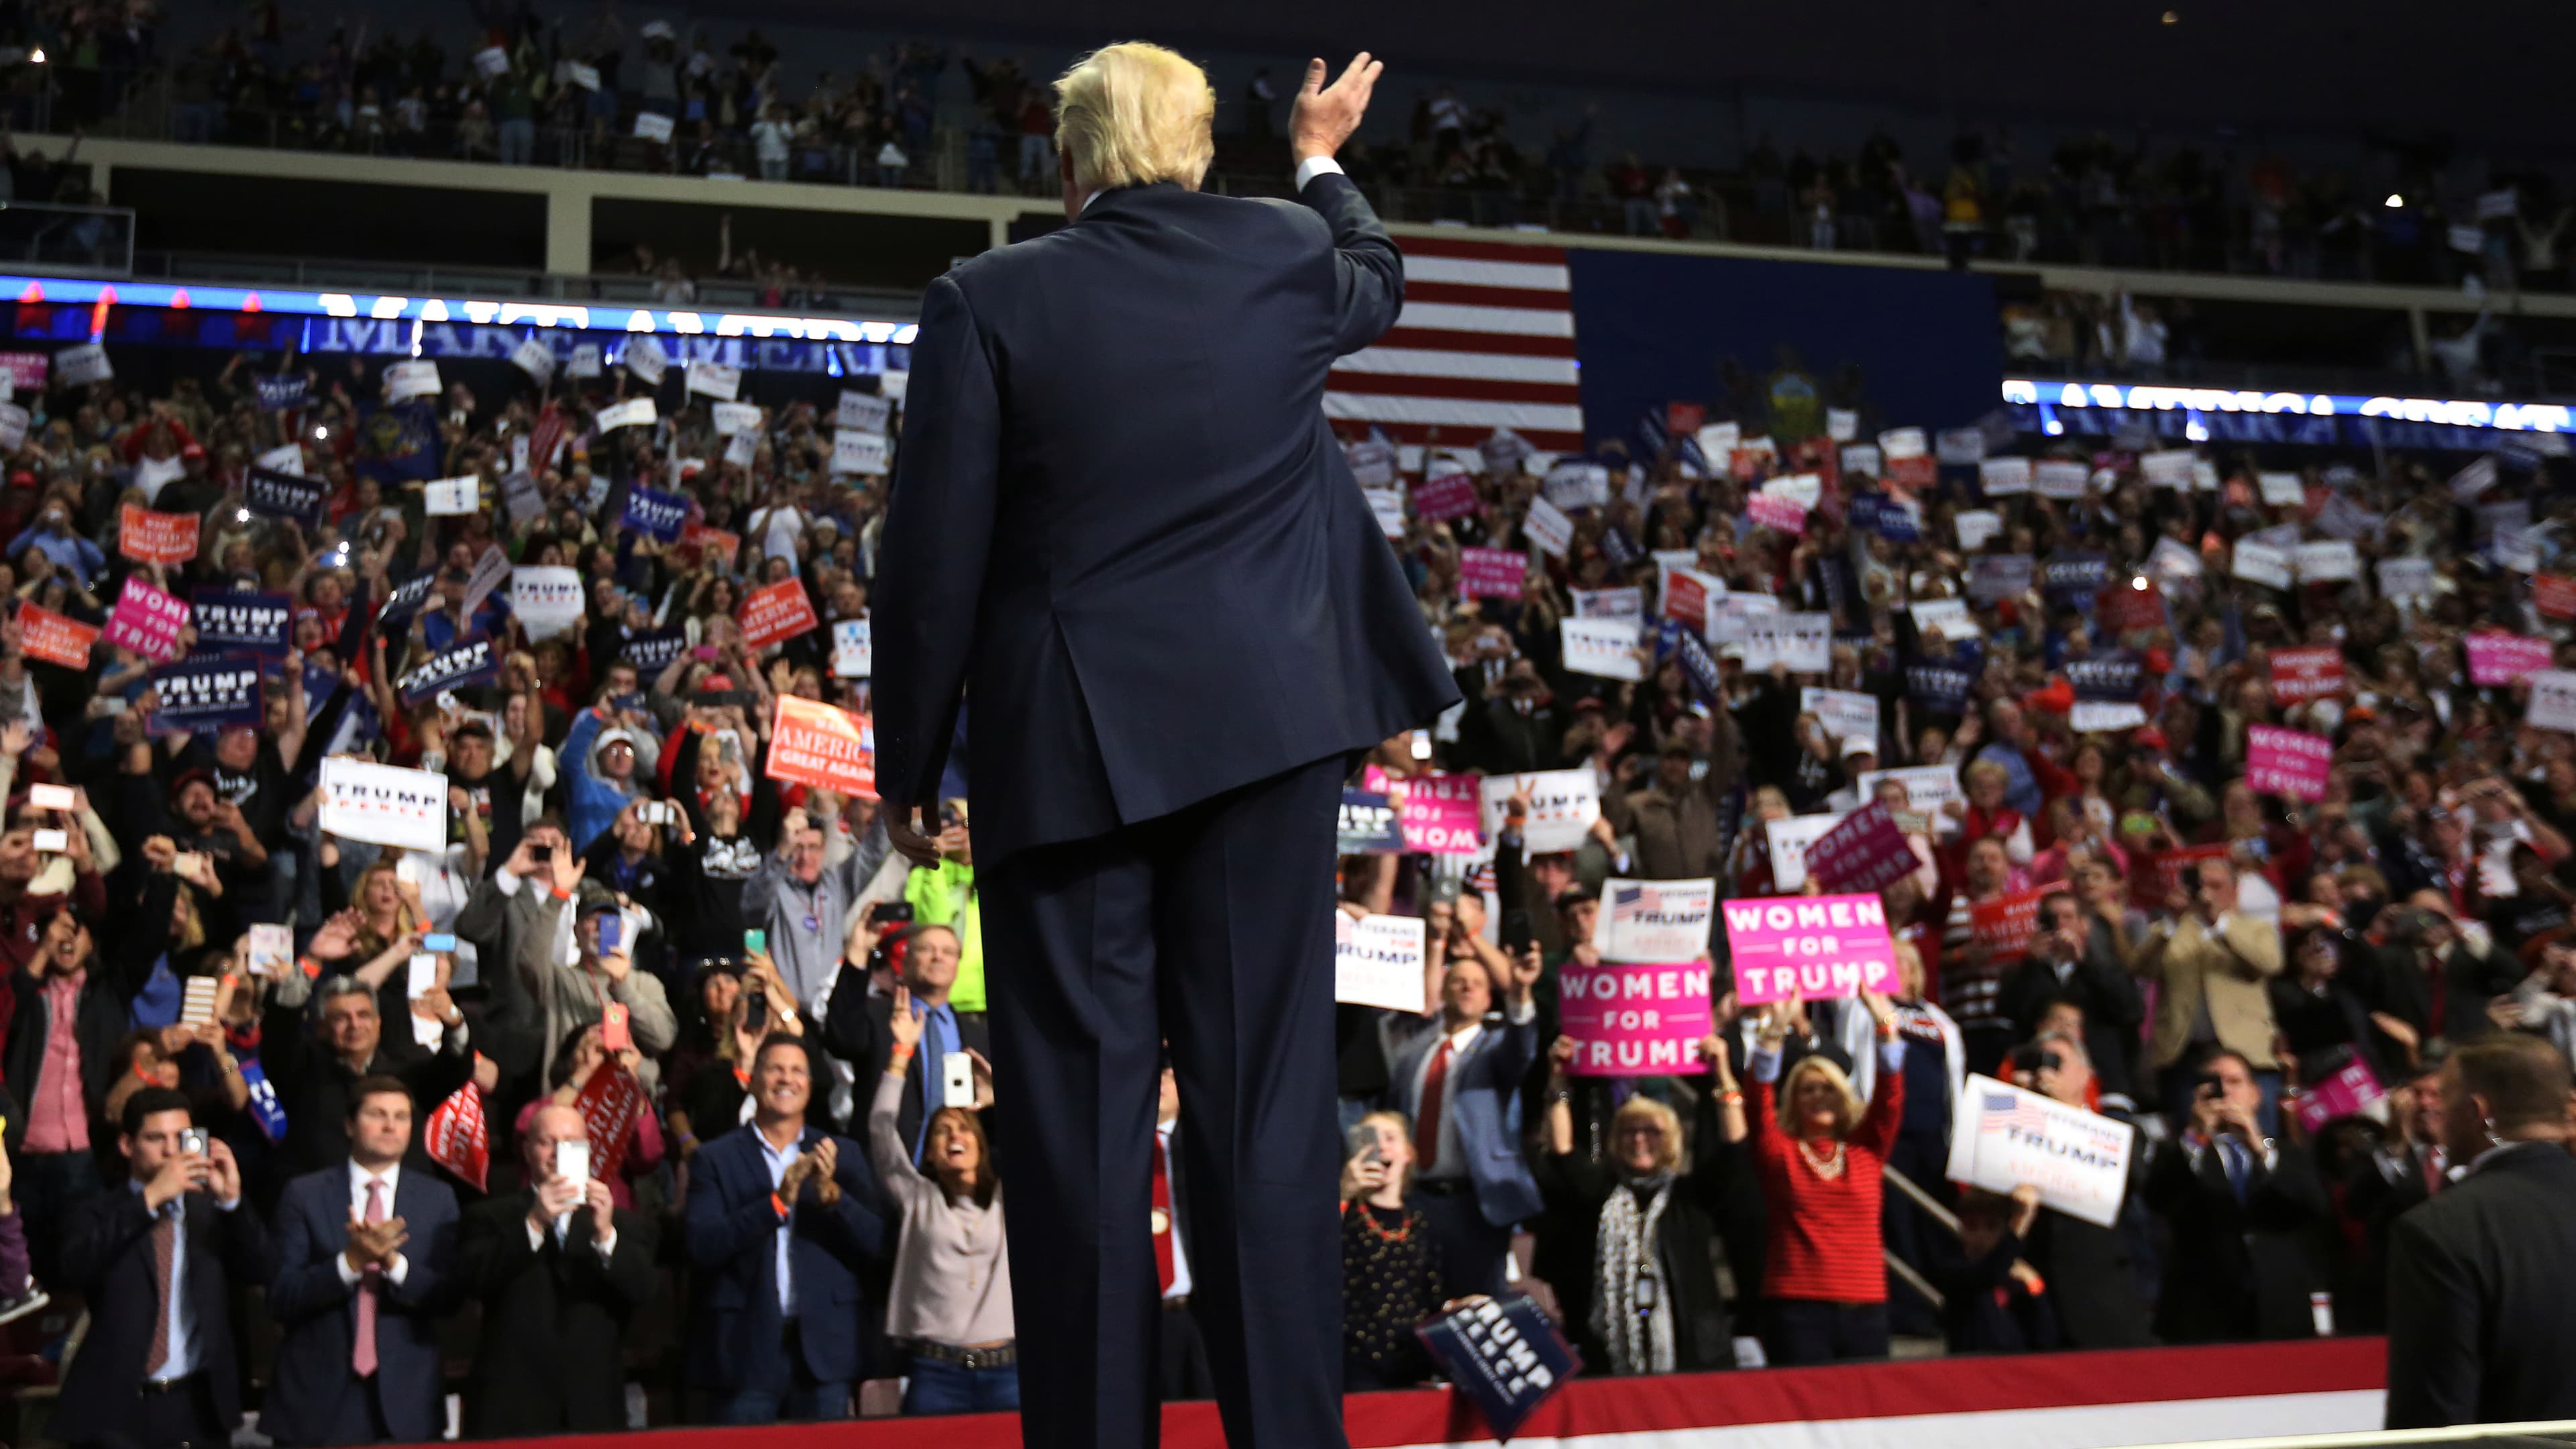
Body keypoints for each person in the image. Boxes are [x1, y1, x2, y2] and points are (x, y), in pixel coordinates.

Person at [873, 44, 1456, 1449]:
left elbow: (933, 558)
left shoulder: (989, 297)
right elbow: (1376, 273)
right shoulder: (1281, 254)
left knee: (1077, 1143)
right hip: (1265, 751)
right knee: (1262, 1128)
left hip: (1068, 765)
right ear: (1200, 155)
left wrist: (908, 764)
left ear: (1067, 163)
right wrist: (1317, 155)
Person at [50, 1087, 271, 1449]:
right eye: (156, 1139)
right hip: (116, 1408)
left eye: (181, 1138)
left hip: (199, 1404)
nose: (172, 1151)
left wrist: (232, 1200)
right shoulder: (96, 1209)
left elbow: (264, 1268)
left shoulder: (211, 1209)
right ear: (127, 1145)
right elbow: (76, 1268)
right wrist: (150, 1199)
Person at [684, 1032, 887, 1424]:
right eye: (775, 1069)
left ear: (810, 1087)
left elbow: (880, 1244)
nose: (786, 1079)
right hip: (744, 1352)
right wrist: (776, 1203)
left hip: (826, 1354)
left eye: (797, 1071)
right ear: (752, 1080)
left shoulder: (842, 1155)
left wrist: (834, 1199)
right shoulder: (713, 1159)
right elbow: (703, 1245)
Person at [2383, 1033, 2576, 1427]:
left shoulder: (2440, 1229)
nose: (2436, 1114)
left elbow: (2434, 1426)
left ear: (2478, 1111)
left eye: (2445, 1099)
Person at [1534, 1033, 1750, 1376]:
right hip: (1610, 1356)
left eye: (1651, 1131)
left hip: (1690, 1353)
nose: (1639, 1139)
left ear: (1671, 1140)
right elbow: (1561, 1150)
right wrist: (1559, 1080)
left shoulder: (1689, 1196)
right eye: (1629, 1132)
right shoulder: (1601, 1191)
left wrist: (1722, 1073)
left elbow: (1734, 1149)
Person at [264, 1077, 462, 1446]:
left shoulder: (438, 1200)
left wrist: (393, 1264)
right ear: (350, 1124)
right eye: (378, 1115)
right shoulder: (304, 1194)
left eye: (401, 1117)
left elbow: (449, 1298)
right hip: (316, 1403)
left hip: (408, 1404)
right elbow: (281, 1298)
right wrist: (350, 1262)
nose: (391, 1126)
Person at [455, 1102, 657, 1437]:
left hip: (592, 1405)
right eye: (547, 1142)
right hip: (511, 1406)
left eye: (570, 1142)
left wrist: (605, 1236)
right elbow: (473, 1281)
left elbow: (643, 1291)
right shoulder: (489, 1217)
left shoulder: (622, 1225)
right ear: (527, 1150)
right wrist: (533, 1223)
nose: (557, 1153)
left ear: (589, 1149)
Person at [871, 985, 1014, 1415]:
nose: (956, 1137)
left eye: (965, 1129)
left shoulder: (1011, 1199)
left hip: (1007, 1371)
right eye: (942, 1131)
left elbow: (1051, 1143)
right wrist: (901, 1052)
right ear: (929, 1151)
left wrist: (999, 1099)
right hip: (937, 1375)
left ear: (982, 1144)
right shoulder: (917, 1197)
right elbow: (880, 1128)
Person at [1746, 991, 1904, 1366]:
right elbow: (1756, 1100)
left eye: (1828, 1088)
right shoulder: (1779, 1153)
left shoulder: (1867, 1151)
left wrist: (1885, 1026)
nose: (1819, 1097)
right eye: (1808, 1089)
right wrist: (1775, 1032)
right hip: (1798, 1310)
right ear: (1793, 1100)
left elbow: (1891, 1099)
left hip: (1866, 1309)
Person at [1384, 951, 1543, 1298]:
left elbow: (1522, 1048)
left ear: (1488, 998)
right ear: (1444, 991)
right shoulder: (1413, 1054)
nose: (1468, 988)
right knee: (1416, 1303)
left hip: (1474, 1205)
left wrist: (1519, 992)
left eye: (1478, 983)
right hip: (1417, 1201)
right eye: (1459, 981)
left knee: (1477, 1309)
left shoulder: (1496, 1049)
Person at [2143, 1048, 2327, 1344]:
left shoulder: (2286, 1153)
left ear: (2256, 1094)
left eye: (2234, 1081)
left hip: (2280, 1313)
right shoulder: (2178, 1152)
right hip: (2203, 1317)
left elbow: (2313, 1205)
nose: (2225, 1091)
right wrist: (2196, 1135)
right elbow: (2159, 1200)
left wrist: (2258, 1144)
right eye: (2213, 1083)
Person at [2137, 858, 2287, 1125]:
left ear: (2234, 890)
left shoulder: (2255, 928)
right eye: (2201, 886)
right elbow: (2140, 967)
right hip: (2184, 1053)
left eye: (2216, 886)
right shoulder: (2172, 931)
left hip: (2247, 1052)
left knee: (2260, 1135)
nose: (2207, 894)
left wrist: (2219, 923)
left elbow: (2270, 963)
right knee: (2192, 1138)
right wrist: (2172, 920)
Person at [1336, 1110, 1444, 1390]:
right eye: (1369, 1139)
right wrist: (1344, 1191)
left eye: (1390, 1137)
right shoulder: (1346, 1212)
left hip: (1412, 1357)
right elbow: (1311, 1249)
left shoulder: (1421, 1220)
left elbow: (1433, 1291)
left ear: (1408, 1153)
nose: (1381, 1147)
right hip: (1354, 1357)